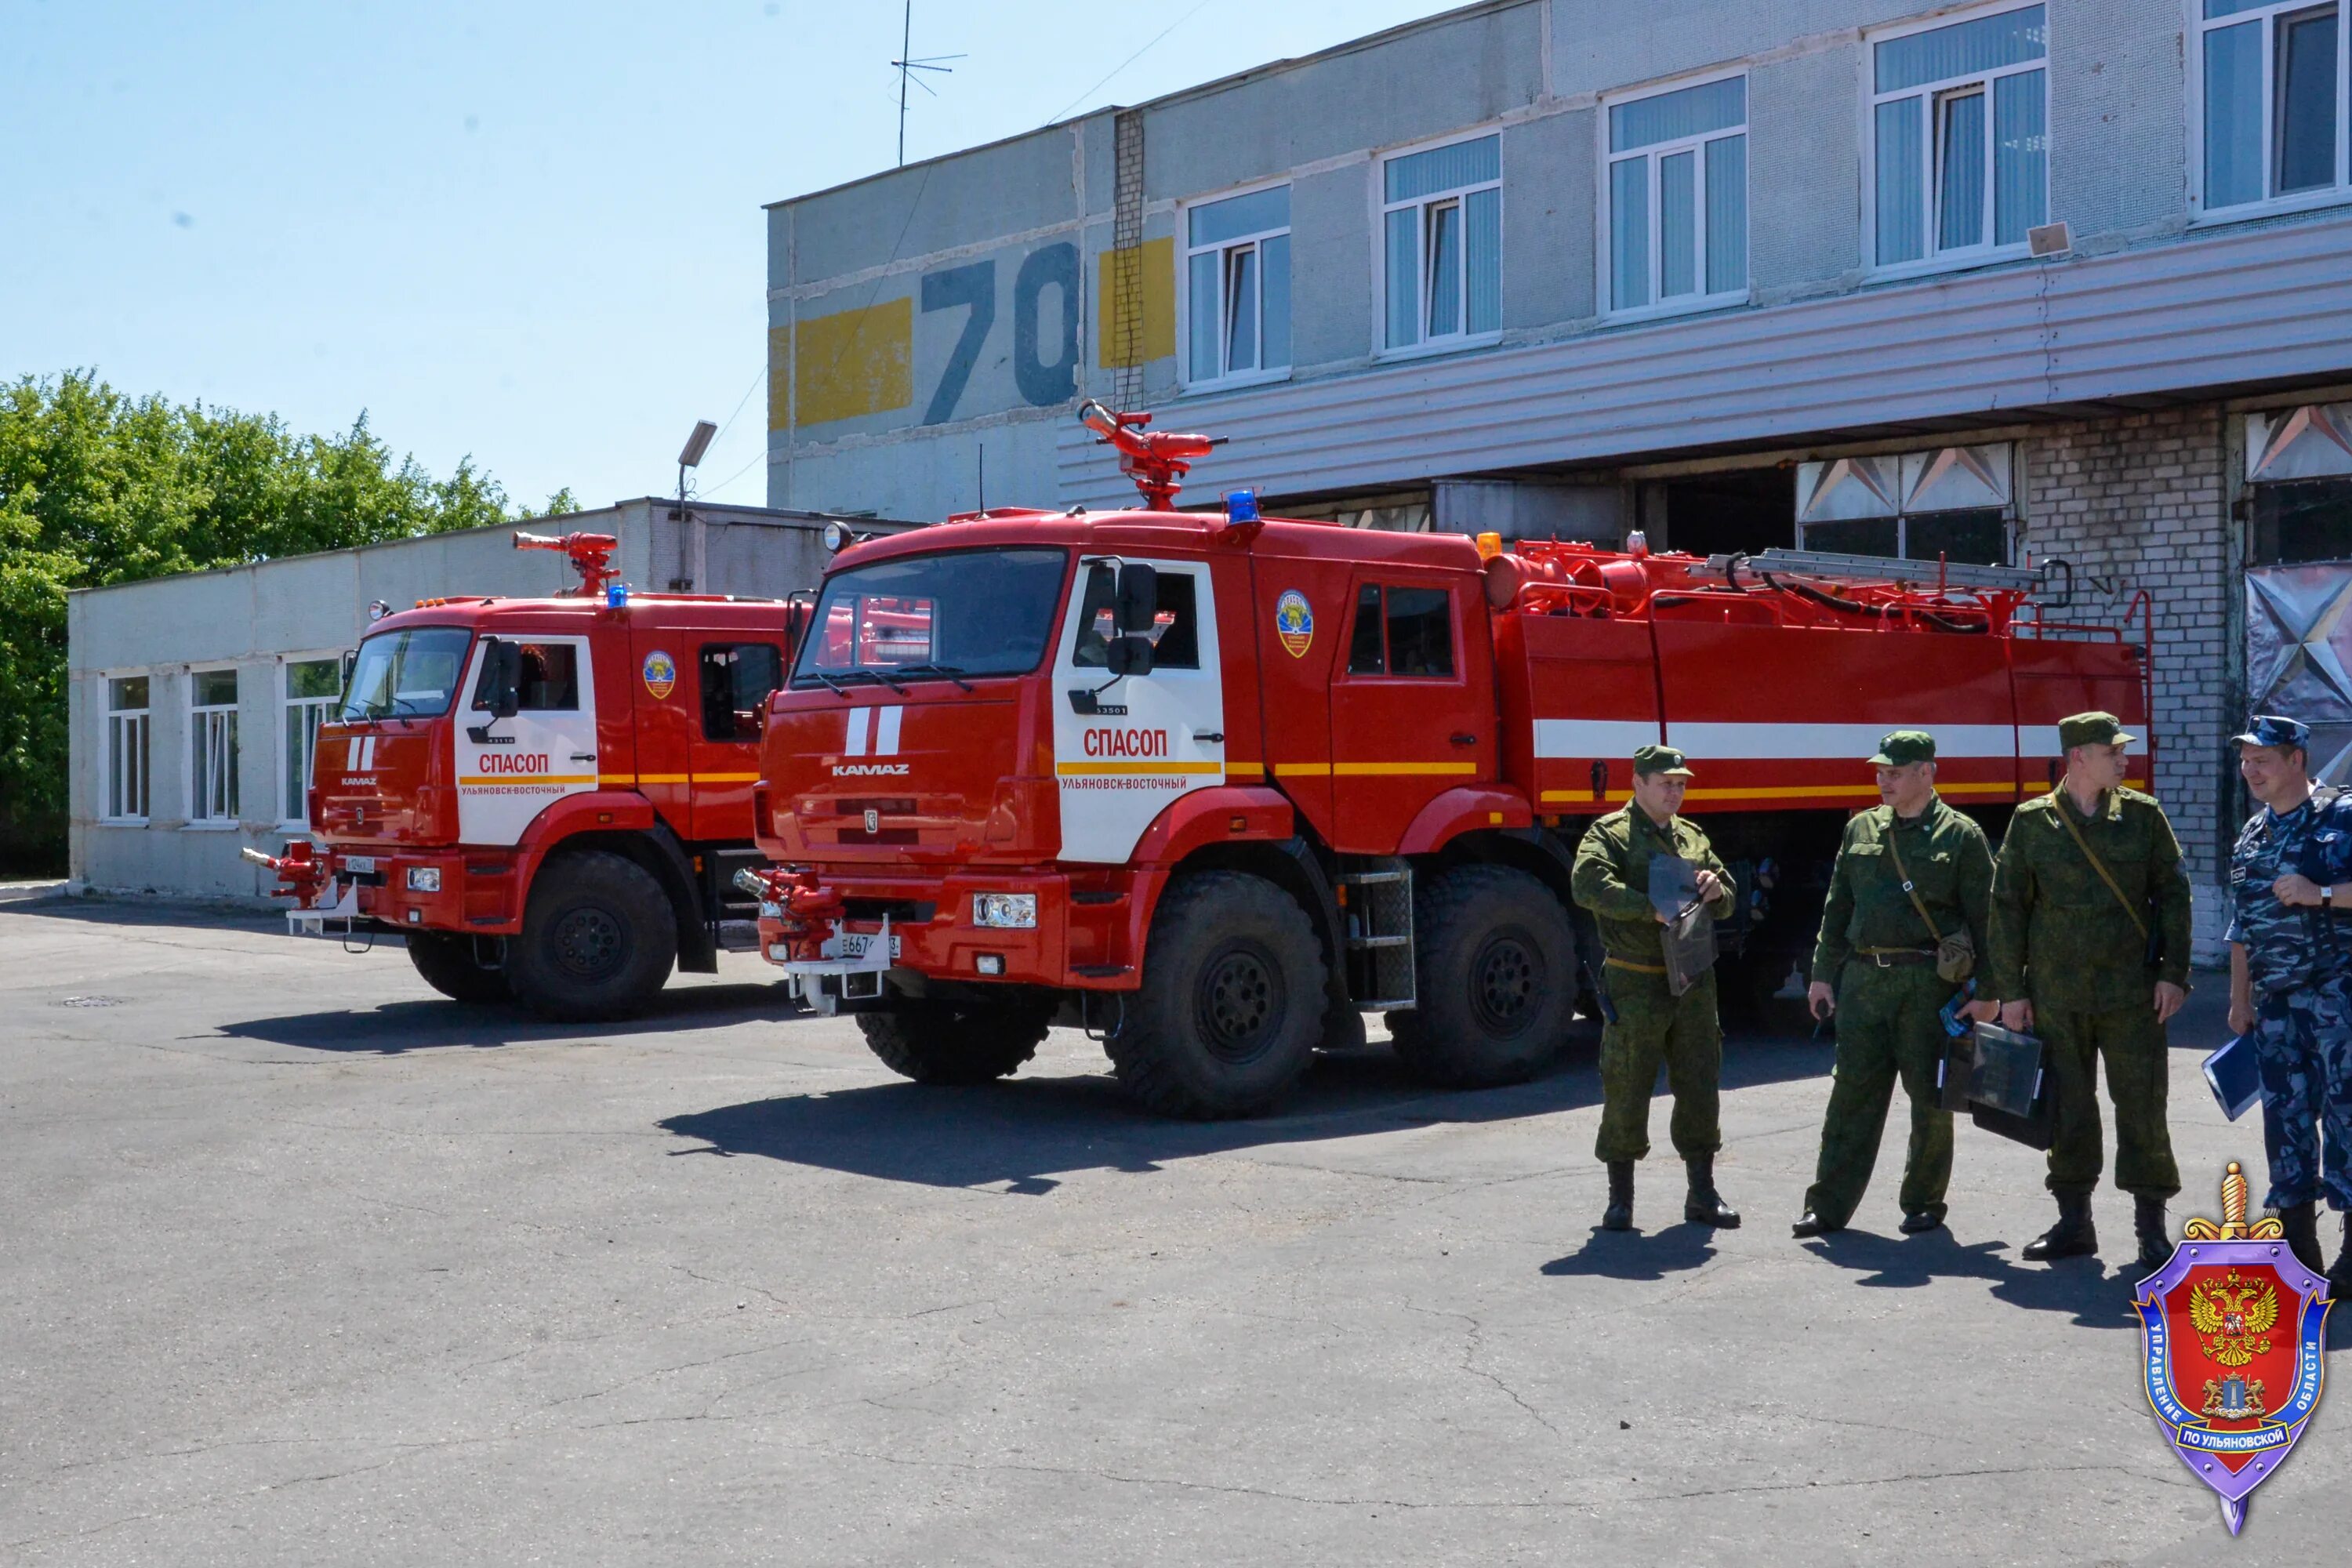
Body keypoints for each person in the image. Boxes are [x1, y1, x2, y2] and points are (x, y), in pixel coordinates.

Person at [1983, 712, 2191, 1270]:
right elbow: (2006, 911)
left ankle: (2150, 1228)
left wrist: (2174, 973)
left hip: (2133, 994)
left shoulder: (2143, 818)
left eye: (2122, 751)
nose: (2124, 760)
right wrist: (2011, 993)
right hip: (2056, 994)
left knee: (2143, 1107)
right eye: (2112, 751)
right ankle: (2075, 1223)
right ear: (2079, 757)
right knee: (2069, 1109)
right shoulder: (2031, 823)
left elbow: (2174, 894)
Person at [1792, 731, 1994, 1239]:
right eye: (1881, 770)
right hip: (1863, 980)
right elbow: (1838, 907)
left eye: (1896, 771)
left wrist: (1991, 992)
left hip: (1928, 984)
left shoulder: (1961, 837)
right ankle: (1828, 1206)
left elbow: (1988, 921)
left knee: (1931, 1099)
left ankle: (1923, 1202)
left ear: (1927, 773)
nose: (1884, 779)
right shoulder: (1860, 829)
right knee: (1851, 1096)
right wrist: (1821, 974)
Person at [1571, 744, 1741, 1233]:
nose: (1676, 791)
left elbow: (1727, 899)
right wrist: (1649, 908)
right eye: (1666, 783)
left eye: (1681, 783)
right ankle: (1620, 1200)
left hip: (1692, 977)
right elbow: (1588, 886)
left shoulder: (1692, 836)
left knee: (1700, 1082)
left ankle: (1702, 1193)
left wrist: (1715, 888)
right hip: (1637, 976)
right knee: (1627, 1083)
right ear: (1639, 783)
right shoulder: (1610, 834)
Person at [2223, 714, 2352, 1291]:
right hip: (2275, 1005)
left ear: (2296, 759)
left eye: (2262, 759)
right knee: (2286, 1119)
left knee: (2349, 1116)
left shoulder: (2343, 818)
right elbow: (2242, 926)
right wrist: (2238, 999)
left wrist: (2320, 893)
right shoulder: (2252, 835)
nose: (2251, 770)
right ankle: (2299, 1246)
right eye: (2246, 760)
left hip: (2338, 998)